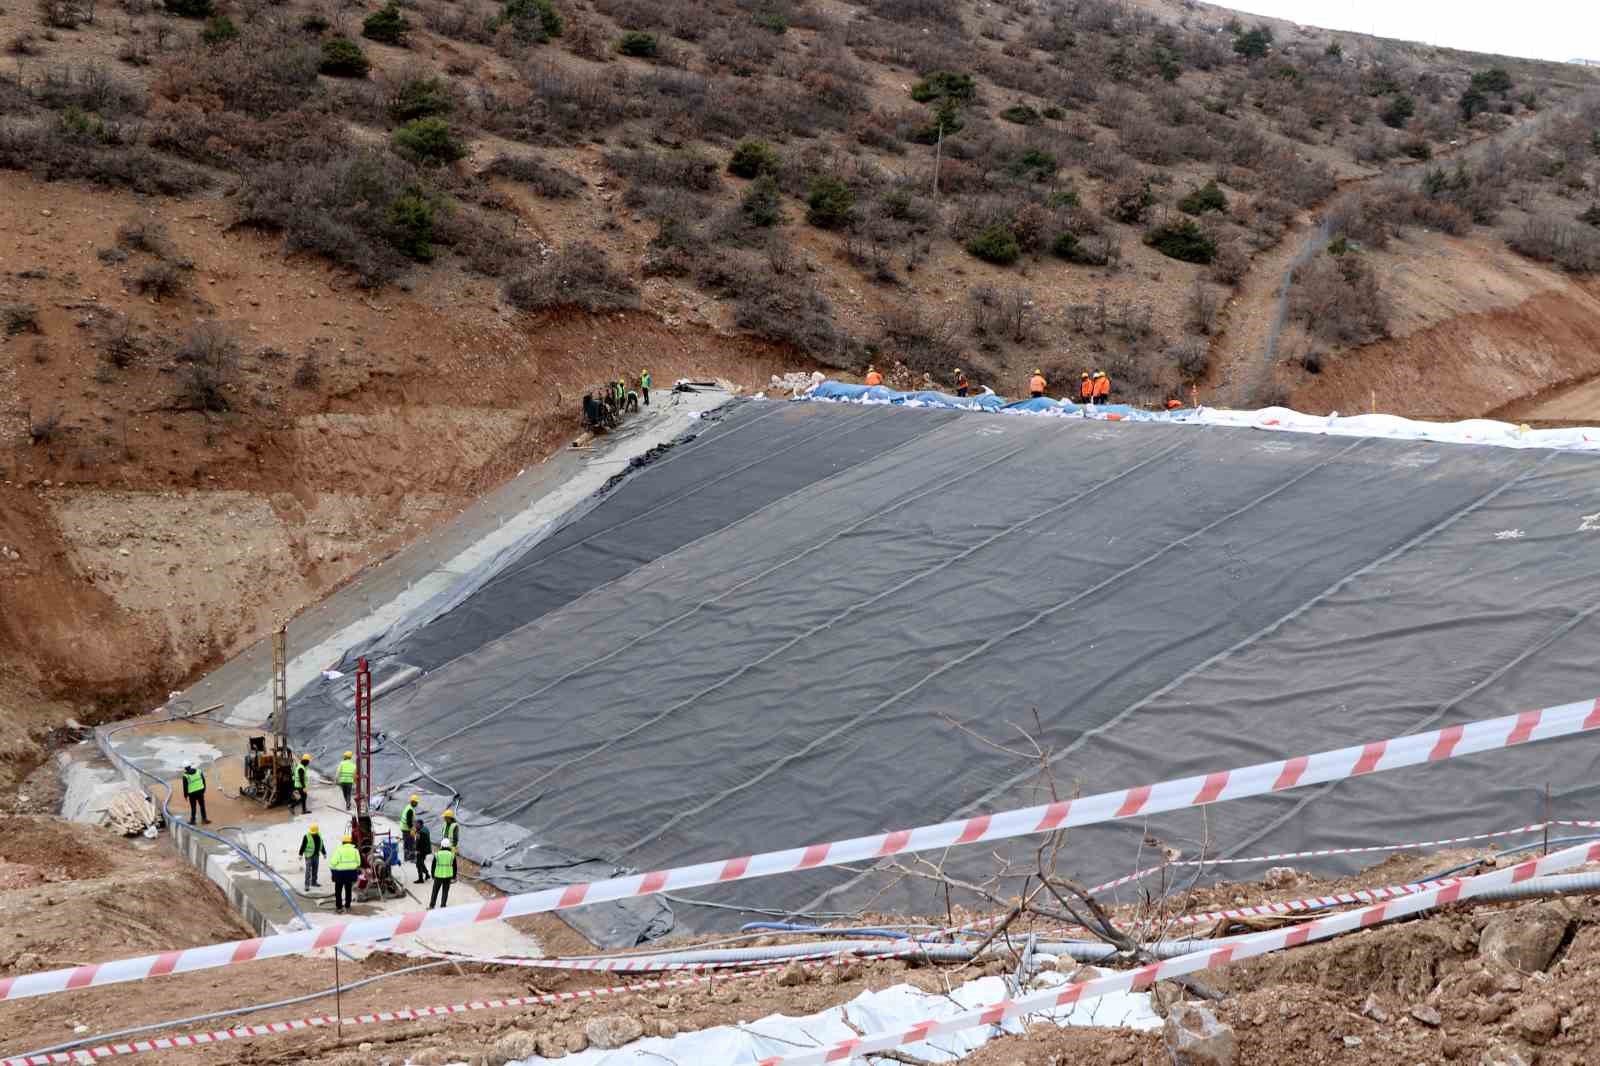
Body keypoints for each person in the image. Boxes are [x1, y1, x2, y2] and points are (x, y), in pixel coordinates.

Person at [330, 834, 361, 914]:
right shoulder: (355, 850)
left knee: (338, 890)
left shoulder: (339, 850)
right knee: (348, 889)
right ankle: (347, 905)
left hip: (340, 874)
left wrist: (333, 869)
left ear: (343, 842)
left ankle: (339, 907)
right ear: (350, 842)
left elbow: (333, 862)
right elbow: (359, 863)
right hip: (351, 873)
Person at [429, 839, 456, 909]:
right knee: (445, 891)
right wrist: (454, 877)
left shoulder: (437, 854)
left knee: (435, 891)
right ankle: (443, 905)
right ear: (449, 846)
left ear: (441, 845)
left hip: (438, 876)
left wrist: (432, 875)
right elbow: (454, 867)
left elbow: (433, 866)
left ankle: (432, 905)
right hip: (448, 876)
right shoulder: (452, 855)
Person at [299, 822, 327, 890]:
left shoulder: (319, 835)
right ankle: (307, 885)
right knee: (308, 870)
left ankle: (314, 882)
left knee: (315, 869)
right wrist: (300, 854)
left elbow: (321, 845)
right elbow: (303, 845)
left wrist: (324, 853)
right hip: (309, 856)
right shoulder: (306, 836)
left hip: (316, 856)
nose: (314, 833)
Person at [400, 794, 419, 862]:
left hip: (404, 828)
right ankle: (412, 858)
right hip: (407, 829)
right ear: (413, 802)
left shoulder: (408, 807)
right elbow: (408, 821)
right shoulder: (410, 810)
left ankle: (406, 857)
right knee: (411, 843)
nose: (417, 804)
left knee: (406, 843)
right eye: (416, 802)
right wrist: (412, 829)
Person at [413, 818, 432, 885]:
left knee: (418, 864)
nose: (415, 825)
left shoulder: (421, 832)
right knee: (421, 863)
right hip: (425, 850)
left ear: (420, 824)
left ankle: (421, 879)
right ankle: (427, 874)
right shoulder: (424, 829)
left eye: (416, 824)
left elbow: (420, 843)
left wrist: (417, 851)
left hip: (422, 851)